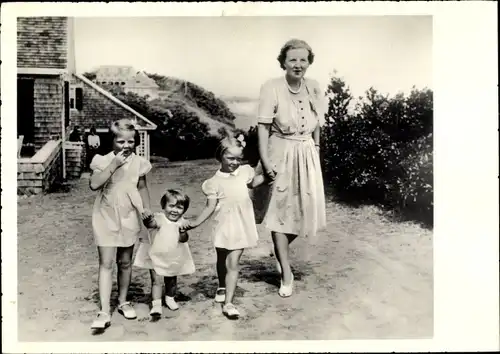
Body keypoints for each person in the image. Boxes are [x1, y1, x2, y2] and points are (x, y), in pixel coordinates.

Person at [252, 39, 327, 298]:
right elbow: (263, 127)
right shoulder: (271, 87)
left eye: (303, 60)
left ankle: (279, 247)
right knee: (281, 213)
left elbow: (318, 121)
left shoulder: (314, 87)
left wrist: (316, 147)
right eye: (292, 59)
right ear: (283, 62)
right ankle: (286, 271)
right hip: (280, 152)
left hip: (306, 154)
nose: (298, 64)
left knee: (306, 212)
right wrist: (265, 161)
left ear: (309, 63)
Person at [183, 135, 268, 319]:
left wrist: (267, 176)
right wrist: (195, 222)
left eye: (239, 158)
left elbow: (253, 183)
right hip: (222, 225)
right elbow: (210, 207)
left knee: (233, 263)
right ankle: (221, 285)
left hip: (241, 225)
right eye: (231, 158)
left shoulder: (246, 171)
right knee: (222, 260)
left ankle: (229, 303)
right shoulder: (213, 182)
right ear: (220, 156)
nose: (235, 162)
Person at [89, 119, 153, 330]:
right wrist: (114, 164)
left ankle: (123, 301)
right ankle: (104, 310)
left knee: (125, 262)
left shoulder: (139, 162)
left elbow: (142, 188)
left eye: (131, 141)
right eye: (120, 141)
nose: (126, 146)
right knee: (106, 263)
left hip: (128, 214)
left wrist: (146, 210)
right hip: (106, 214)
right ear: (112, 141)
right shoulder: (103, 160)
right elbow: (94, 184)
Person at [133, 189, 195, 317]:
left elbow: (184, 240)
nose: (174, 210)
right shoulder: (160, 218)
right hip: (155, 254)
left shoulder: (182, 222)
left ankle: (170, 298)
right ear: (164, 206)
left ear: (184, 210)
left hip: (173, 255)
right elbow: (152, 224)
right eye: (171, 206)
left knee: (171, 279)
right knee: (156, 280)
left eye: (179, 207)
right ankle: (156, 304)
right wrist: (147, 219)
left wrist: (183, 232)